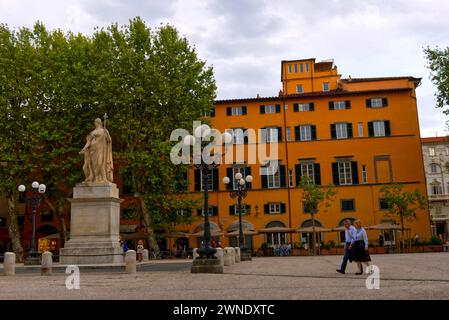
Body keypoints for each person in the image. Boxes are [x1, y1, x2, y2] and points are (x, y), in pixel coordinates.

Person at [79, 118, 113, 183]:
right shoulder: (93, 132)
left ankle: (104, 178)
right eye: (95, 122)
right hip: (92, 151)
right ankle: (97, 179)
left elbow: (109, 140)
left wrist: (107, 133)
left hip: (101, 150)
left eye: (96, 122)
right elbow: (88, 141)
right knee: (94, 165)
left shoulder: (104, 131)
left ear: (99, 123)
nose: (95, 124)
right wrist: (84, 148)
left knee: (100, 163)